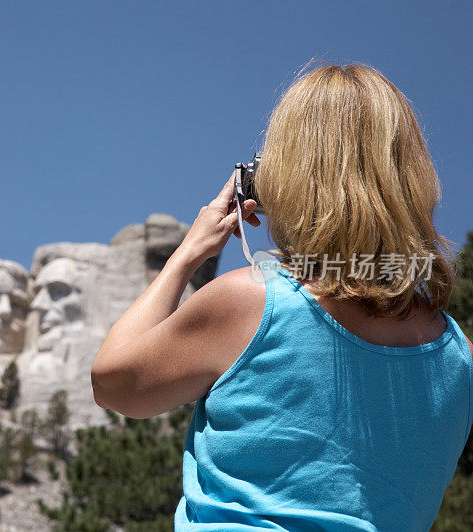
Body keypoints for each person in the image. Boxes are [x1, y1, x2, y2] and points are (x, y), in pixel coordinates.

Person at [90, 62, 472, 530]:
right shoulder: (460, 357)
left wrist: (189, 252)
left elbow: (111, 384)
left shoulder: (248, 304)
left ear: (288, 176)